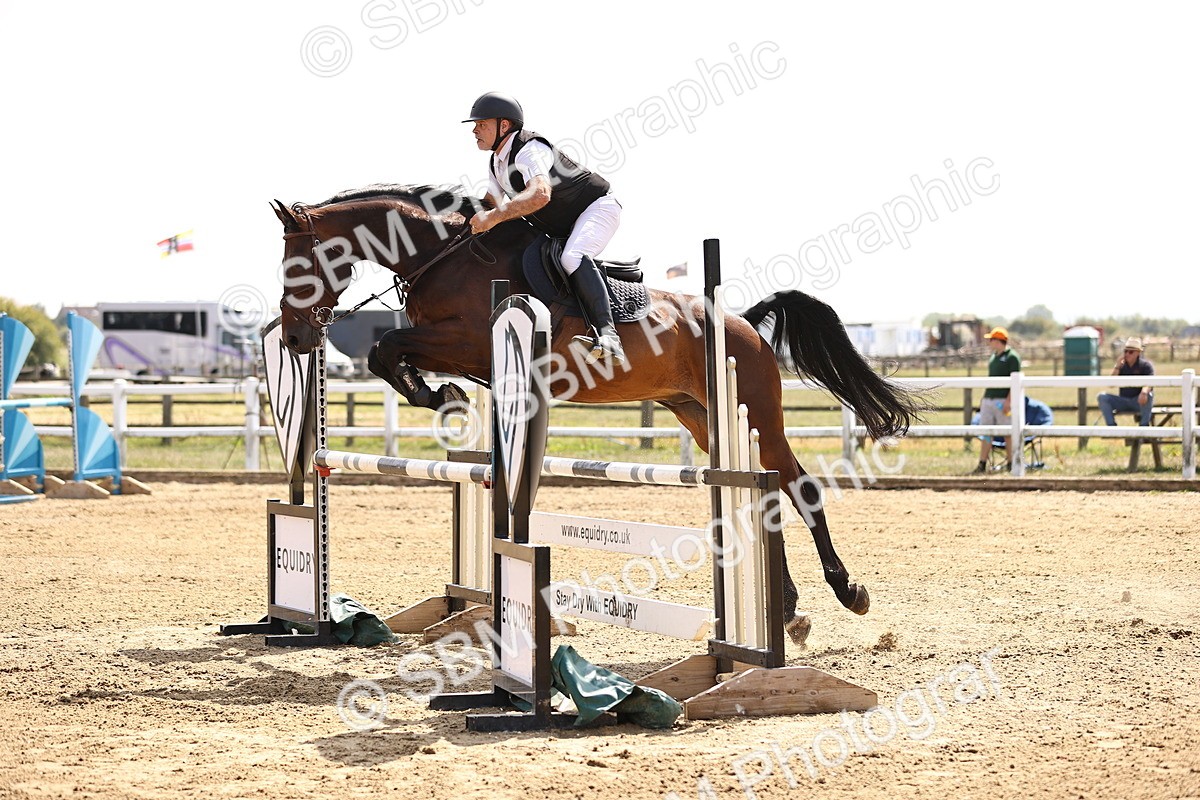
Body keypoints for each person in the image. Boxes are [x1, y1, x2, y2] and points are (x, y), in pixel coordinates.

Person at [463, 92, 625, 365]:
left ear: (504, 126)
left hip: (597, 208)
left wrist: (492, 218)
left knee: (571, 258)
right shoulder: (496, 161)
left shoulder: (530, 150)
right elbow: (491, 203)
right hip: (563, 224)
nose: (475, 129)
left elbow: (540, 195)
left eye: (482, 123)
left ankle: (610, 337)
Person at [974, 327, 1021, 474]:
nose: (989, 342)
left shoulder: (1012, 357)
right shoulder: (993, 357)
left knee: (1007, 432)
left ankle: (1011, 462)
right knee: (986, 432)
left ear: (998, 340)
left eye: (991, 339)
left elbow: (1016, 381)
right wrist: (983, 399)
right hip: (989, 398)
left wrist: (1009, 401)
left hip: (1002, 400)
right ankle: (982, 463)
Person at [1097, 337, 1154, 426]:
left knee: (1149, 395)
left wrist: (1144, 392)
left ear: (1138, 353)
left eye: (1131, 352)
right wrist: (1117, 366)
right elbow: (1111, 384)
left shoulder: (1145, 365)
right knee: (1102, 397)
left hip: (1138, 401)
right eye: (1125, 351)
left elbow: (1150, 383)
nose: (1127, 354)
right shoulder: (1121, 366)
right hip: (1123, 400)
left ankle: (1144, 427)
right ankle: (1112, 428)